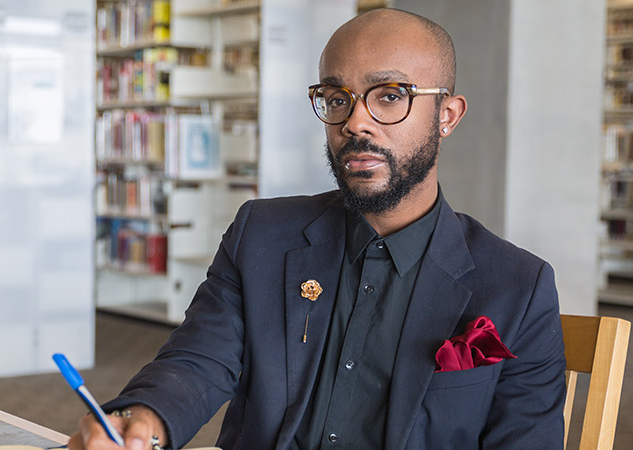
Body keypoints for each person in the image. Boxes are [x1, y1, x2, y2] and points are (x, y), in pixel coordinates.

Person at [70, 8, 566, 450]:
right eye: (336, 98)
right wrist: (143, 422)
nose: (355, 122)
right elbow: (197, 361)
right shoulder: (262, 234)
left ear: (448, 116)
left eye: (391, 96)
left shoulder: (517, 287)